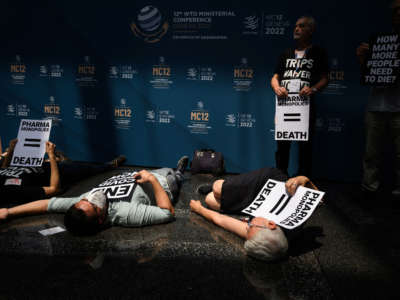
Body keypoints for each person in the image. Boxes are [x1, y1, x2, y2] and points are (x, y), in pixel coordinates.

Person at [0, 156, 189, 235]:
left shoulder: (80, 205)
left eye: (85, 200)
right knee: (174, 175)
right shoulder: (123, 212)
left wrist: (9, 212)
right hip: (162, 181)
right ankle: (180, 173)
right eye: (95, 206)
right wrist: (152, 180)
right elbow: (167, 213)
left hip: (136, 175)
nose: (92, 198)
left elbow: (46, 204)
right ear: (100, 219)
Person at [191, 167, 319, 261]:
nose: (247, 224)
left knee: (209, 200)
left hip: (256, 206)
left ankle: (229, 192)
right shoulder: (295, 224)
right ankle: (226, 185)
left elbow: (221, 220)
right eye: (252, 225)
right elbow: (312, 191)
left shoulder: (259, 236)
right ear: (271, 224)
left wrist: (199, 209)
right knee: (217, 187)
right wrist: (300, 179)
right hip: (266, 184)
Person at [270, 16, 329, 176]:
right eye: (295, 26)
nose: (297, 29)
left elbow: (325, 78)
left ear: (310, 30)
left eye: (301, 26)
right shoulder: (286, 53)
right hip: (285, 105)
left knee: (305, 147)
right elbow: (275, 76)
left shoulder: (318, 53)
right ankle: (280, 178)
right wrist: (276, 87)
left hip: (305, 106)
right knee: (282, 146)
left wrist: (313, 89)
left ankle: (303, 180)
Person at [357, 0, 400, 200]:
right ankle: (369, 188)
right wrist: (363, 59)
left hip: (398, 107)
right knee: (371, 153)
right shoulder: (380, 43)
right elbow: (366, 74)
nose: (397, 15)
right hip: (376, 106)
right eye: (395, 12)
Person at [0, 138, 126, 202]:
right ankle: (110, 166)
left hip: (37, 166)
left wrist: (11, 149)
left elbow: (5, 168)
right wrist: (51, 156)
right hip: (55, 173)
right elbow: (54, 189)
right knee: (85, 169)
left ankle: (62, 161)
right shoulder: (10, 190)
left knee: (64, 164)